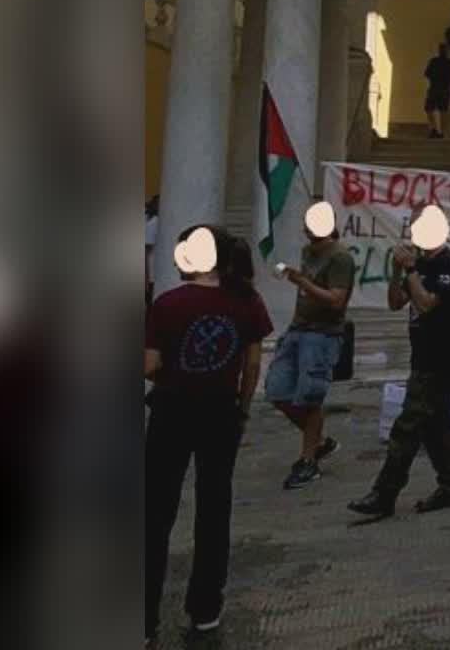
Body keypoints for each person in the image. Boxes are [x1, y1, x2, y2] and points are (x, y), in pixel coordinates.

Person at [145, 225, 272, 647]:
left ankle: (144, 615)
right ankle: (205, 609)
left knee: (155, 512)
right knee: (214, 509)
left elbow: (149, 364)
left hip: (172, 411)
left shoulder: (166, 304)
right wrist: (243, 408)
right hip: (221, 414)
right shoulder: (246, 302)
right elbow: (252, 367)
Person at [350, 204, 450, 518]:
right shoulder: (420, 266)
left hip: (441, 356)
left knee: (407, 426)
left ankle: (384, 494)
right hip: (423, 354)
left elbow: (428, 304)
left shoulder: (447, 264)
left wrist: (412, 271)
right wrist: (397, 271)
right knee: (435, 424)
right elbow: (395, 302)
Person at [266, 200, 356, 489]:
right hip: (298, 329)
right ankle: (319, 441)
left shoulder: (340, 257)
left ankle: (308, 460)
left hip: (323, 335)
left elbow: (336, 299)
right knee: (278, 390)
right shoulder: (308, 252)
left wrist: (303, 282)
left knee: (310, 397)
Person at [423, 43, 450, 138]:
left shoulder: (434, 61)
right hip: (444, 89)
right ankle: (440, 131)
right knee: (442, 110)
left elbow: (427, 74)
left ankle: (434, 129)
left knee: (430, 109)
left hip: (435, 88)